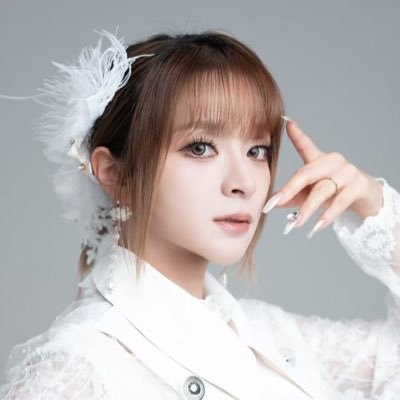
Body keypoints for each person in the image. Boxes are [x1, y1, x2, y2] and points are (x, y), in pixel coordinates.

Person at [0, 29, 399, 400]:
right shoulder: (77, 370)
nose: (243, 182)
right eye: (200, 148)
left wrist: (372, 204)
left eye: (257, 150)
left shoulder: (274, 337)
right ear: (115, 174)